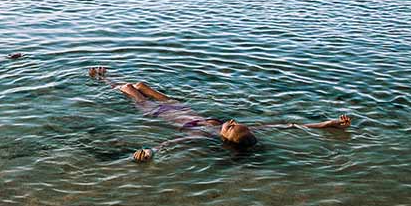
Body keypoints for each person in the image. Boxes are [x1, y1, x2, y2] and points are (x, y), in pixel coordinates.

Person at [88, 67, 351, 161]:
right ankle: (110, 76)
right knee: (142, 84)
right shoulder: (241, 131)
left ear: (225, 139)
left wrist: (150, 153)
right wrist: (327, 124)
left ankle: (103, 78)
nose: (232, 122)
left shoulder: (202, 136)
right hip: (179, 107)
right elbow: (288, 125)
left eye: (230, 127)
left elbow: (169, 144)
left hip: (157, 112)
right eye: (236, 123)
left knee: (129, 89)